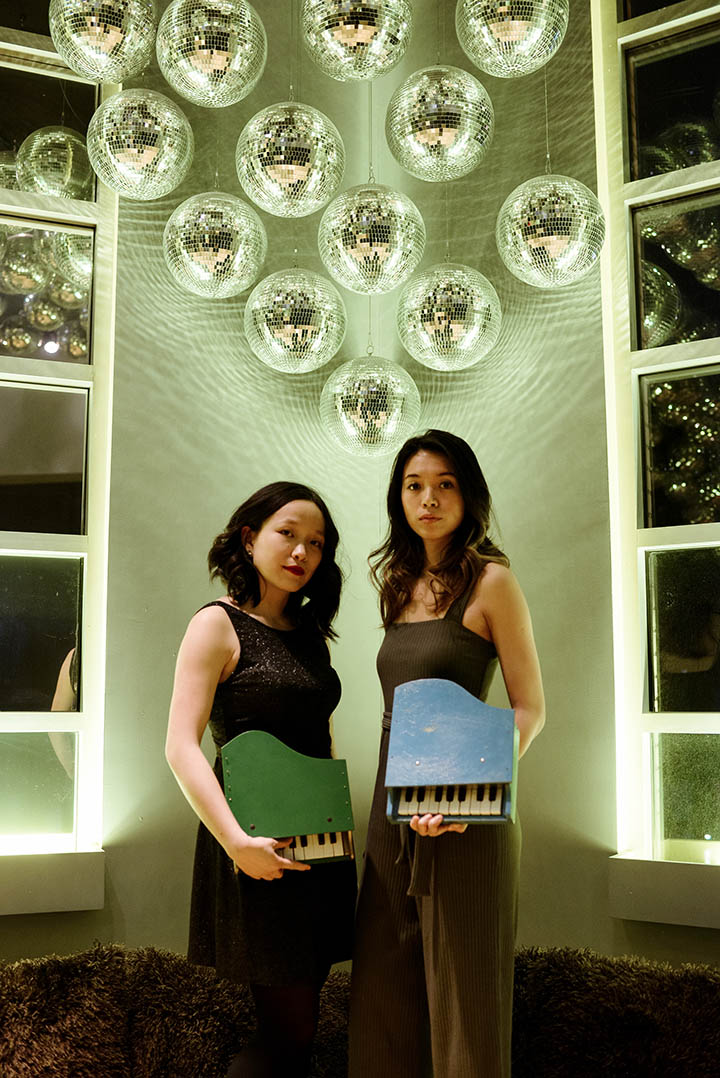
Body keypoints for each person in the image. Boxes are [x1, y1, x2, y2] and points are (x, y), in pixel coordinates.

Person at [348, 430, 545, 1078]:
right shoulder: (398, 583)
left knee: (466, 1006)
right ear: (398, 498)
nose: (428, 497)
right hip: (390, 808)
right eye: (414, 485)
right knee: (382, 993)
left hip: (469, 819)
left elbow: (529, 708)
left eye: (444, 484)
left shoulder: (492, 581)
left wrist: (471, 792)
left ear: (468, 494)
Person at [166, 482, 356, 1078]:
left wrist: (338, 836)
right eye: (288, 534)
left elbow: (319, 741)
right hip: (253, 843)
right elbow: (180, 746)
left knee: (300, 1028)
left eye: (316, 543)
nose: (302, 551)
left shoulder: (309, 634)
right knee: (288, 1029)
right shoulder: (216, 624)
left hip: (321, 848)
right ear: (249, 539)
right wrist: (235, 845)